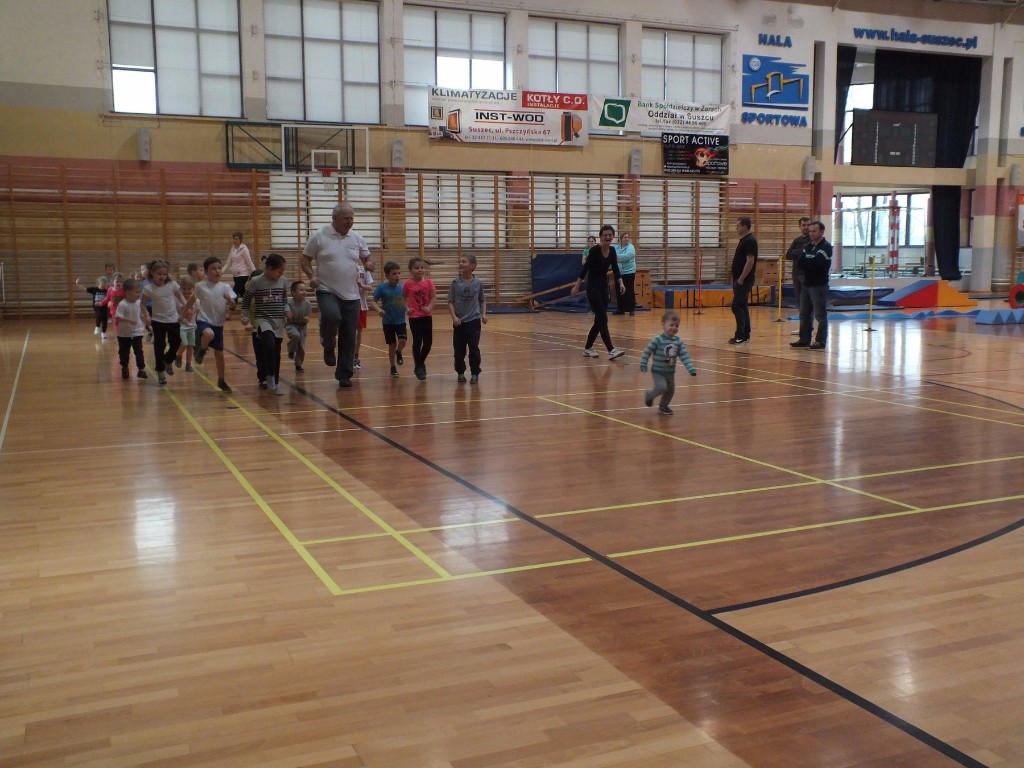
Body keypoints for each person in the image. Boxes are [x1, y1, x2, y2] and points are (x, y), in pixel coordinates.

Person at [300, 202, 369, 389]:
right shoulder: (319, 235)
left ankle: (344, 374)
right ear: (334, 219)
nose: (350, 221)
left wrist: (369, 264)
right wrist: (311, 276)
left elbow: (366, 258)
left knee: (349, 335)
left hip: (352, 294)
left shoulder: (357, 238)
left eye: (352, 218)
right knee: (331, 316)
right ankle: (328, 343)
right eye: (346, 218)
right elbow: (305, 260)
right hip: (326, 289)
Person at [571, 223, 625, 360]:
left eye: (610, 235)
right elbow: (585, 269)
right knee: (603, 318)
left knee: (599, 320)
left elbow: (615, 269)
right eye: (605, 235)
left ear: (613, 236)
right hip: (593, 288)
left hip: (603, 288)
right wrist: (577, 286)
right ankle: (611, 350)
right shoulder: (594, 250)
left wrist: (621, 282)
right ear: (601, 236)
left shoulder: (612, 250)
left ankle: (588, 348)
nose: (608, 237)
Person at [186, 255, 236, 393]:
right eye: (214, 269)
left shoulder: (225, 287)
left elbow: (233, 305)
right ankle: (201, 350)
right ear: (206, 272)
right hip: (204, 320)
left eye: (219, 268)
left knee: (219, 355)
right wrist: (184, 311)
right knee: (209, 334)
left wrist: (229, 301)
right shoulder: (200, 286)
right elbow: (192, 299)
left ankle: (221, 380)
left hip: (218, 323)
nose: (218, 271)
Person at [240, 253, 288, 395]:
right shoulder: (256, 282)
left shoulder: (283, 281)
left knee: (276, 352)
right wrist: (244, 316)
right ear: (270, 269)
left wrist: (286, 310)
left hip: (278, 321)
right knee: (269, 344)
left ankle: (275, 381)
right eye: (279, 271)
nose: (281, 274)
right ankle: (269, 375)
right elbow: (246, 300)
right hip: (263, 320)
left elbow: (284, 299)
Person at [639, 309, 697, 416]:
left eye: (677, 326)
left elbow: (684, 356)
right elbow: (647, 351)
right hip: (658, 371)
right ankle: (649, 395)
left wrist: (690, 368)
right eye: (671, 325)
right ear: (663, 324)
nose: (674, 328)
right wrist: (643, 363)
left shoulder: (678, 341)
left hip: (670, 372)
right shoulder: (658, 340)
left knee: (670, 391)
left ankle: (663, 407)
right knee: (662, 387)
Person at [791, 220, 833, 350]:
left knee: (820, 314)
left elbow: (816, 264)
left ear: (821, 232)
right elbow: (800, 264)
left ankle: (820, 341)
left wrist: (808, 262)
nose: (811, 233)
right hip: (806, 284)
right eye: (810, 231)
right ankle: (804, 339)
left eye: (814, 231)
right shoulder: (808, 246)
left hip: (818, 285)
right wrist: (809, 262)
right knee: (804, 313)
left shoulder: (826, 247)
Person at [142, 260, 185, 385]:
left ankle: (168, 360)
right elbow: (143, 304)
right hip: (158, 321)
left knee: (176, 342)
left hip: (173, 319)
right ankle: (160, 371)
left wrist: (185, 306)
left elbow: (180, 296)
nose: (162, 276)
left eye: (164, 274)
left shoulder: (172, 284)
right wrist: (146, 315)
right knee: (159, 346)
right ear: (152, 274)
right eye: (159, 274)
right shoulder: (149, 288)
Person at [448, 254, 487, 384]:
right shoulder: (455, 283)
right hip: (459, 322)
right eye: (459, 261)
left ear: (472, 266)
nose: (460, 263)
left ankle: (475, 373)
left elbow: (482, 300)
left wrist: (484, 314)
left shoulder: (478, 283)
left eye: (464, 261)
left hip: (474, 321)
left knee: (474, 348)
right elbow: (450, 302)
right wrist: (454, 317)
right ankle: (460, 372)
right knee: (459, 349)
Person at [369, 261, 407, 378]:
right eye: (394, 274)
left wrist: (409, 308)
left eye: (399, 273)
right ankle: (393, 367)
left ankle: (399, 351)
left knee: (403, 341)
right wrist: (379, 310)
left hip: (400, 320)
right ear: (387, 276)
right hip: (388, 322)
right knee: (392, 345)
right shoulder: (382, 288)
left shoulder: (403, 287)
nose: (397, 276)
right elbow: (373, 302)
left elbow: (407, 300)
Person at [403, 256, 436, 380]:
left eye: (422, 267)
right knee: (417, 340)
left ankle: (420, 363)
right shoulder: (408, 283)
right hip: (414, 316)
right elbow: (403, 297)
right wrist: (407, 308)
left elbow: (433, 297)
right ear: (411, 270)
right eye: (416, 268)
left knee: (428, 342)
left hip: (426, 316)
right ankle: (419, 367)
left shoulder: (429, 282)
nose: (420, 270)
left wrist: (429, 307)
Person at [729, 216, 758, 345]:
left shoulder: (749, 241)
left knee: (737, 305)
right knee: (742, 305)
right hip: (739, 278)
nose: (736, 228)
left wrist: (741, 278)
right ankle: (746, 334)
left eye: (738, 226)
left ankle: (740, 334)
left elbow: (750, 261)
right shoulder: (744, 240)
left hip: (744, 279)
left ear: (745, 226)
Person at [115, 277, 151, 380]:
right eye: (136, 292)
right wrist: (129, 320)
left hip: (137, 332)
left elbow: (142, 315)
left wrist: (148, 324)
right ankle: (125, 367)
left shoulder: (139, 303)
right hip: (124, 334)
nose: (138, 294)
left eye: (139, 292)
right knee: (124, 352)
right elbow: (118, 317)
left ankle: (141, 369)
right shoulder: (123, 304)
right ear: (127, 293)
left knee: (139, 351)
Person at [785, 216, 812, 315]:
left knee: (807, 298)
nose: (806, 227)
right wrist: (801, 251)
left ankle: (808, 321)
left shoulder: (812, 240)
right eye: (803, 225)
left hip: (807, 273)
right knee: (799, 298)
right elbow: (788, 255)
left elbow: (808, 253)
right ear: (800, 226)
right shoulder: (797, 240)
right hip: (796, 272)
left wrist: (797, 252)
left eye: (808, 225)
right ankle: (802, 321)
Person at [286, 280, 312, 373]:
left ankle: (298, 365)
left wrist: (306, 319)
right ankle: (291, 350)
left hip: (302, 327)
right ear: (293, 293)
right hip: (291, 325)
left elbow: (307, 317)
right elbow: (286, 315)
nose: (304, 292)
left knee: (301, 347)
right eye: (301, 290)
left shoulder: (307, 304)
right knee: (296, 336)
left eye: (305, 290)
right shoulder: (288, 303)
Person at [354, 256, 375, 370]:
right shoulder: (346, 268)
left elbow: (370, 287)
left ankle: (356, 357)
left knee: (358, 333)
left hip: (361, 306)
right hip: (348, 305)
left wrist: (361, 285)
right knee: (349, 333)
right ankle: (347, 356)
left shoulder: (364, 270)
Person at [224, 231, 256, 299]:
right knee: (242, 292)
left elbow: (249, 262)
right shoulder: (232, 249)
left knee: (234, 292)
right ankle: (248, 303)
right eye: (234, 239)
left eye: (236, 239)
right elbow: (228, 262)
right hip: (235, 275)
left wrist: (255, 273)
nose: (234, 241)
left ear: (240, 240)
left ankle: (232, 305)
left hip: (243, 275)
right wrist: (222, 271)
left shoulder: (244, 249)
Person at [175, 276, 197, 372]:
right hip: (181, 326)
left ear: (193, 289)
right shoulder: (178, 300)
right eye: (184, 289)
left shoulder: (196, 301)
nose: (187, 291)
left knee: (190, 346)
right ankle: (179, 355)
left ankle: (188, 364)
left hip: (192, 326)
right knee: (184, 343)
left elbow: (197, 312)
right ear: (180, 289)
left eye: (189, 289)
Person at [612, 231, 637, 315]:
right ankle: (620, 309)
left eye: (628, 237)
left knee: (629, 290)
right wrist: (616, 258)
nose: (627, 239)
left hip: (629, 272)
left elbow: (627, 256)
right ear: (621, 239)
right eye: (625, 237)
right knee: (619, 290)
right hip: (619, 272)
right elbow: (612, 255)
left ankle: (631, 308)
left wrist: (617, 257)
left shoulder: (631, 247)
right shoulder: (616, 247)